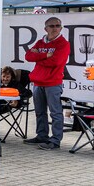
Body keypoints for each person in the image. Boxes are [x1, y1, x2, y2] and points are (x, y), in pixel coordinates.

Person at [24, 17, 70, 150]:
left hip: (53, 83)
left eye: (57, 25)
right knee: (40, 112)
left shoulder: (63, 44)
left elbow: (55, 62)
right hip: (38, 82)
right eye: (52, 26)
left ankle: (55, 141)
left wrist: (38, 57)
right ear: (46, 28)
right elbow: (28, 56)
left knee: (55, 113)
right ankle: (42, 136)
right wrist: (46, 55)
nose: (55, 28)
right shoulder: (40, 42)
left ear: (61, 28)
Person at [0, 66, 31, 139]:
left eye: (8, 77)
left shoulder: (15, 84)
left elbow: (28, 93)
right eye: (3, 76)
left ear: (12, 77)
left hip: (5, 106)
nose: (5, 79)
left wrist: (17, 100)